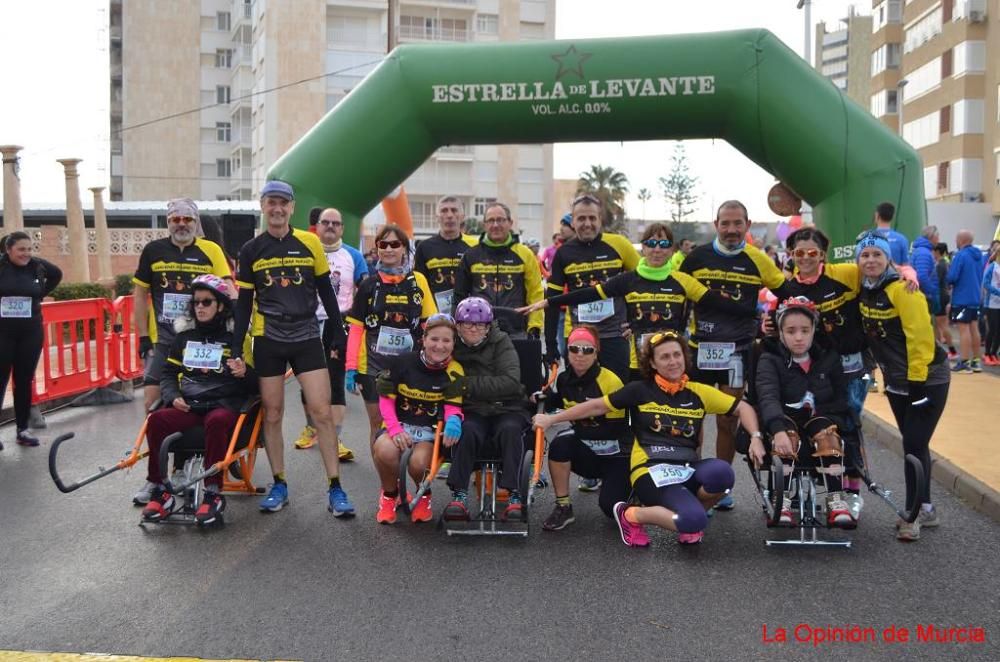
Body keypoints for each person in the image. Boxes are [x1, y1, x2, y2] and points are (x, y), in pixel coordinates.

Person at [534, 331, 763, 546]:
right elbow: (594, 406)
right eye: (664, 357)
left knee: (723, 474)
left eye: (677, 355)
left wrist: (755, 437)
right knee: (695, 521)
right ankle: (631, 515)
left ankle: (689, 515)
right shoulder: (640, 390)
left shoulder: (698, 391)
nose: (673, 361)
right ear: (652, 363)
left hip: (687, 466)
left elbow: (743, 408)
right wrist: (551, 420)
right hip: (651, 470)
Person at [230, 180, 354, 517]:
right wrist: (236, 346)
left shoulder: (310, 242)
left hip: (306, 335)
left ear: (292, 208)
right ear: (262, 205)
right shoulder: (251, 249)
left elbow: (326, 292)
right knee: (272, 413)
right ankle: (279, 483)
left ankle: (335, 487)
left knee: (322, 412)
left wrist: (339, 331)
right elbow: (243, 304)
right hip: (269, 337)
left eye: (283, 203)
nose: (277, 209)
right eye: (271, 202)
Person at [520, 223, 750, 381]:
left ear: (671, 249)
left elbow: (717, 303)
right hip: (636, 364)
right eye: (651, 243)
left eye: (663, 244)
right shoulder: (627, 280)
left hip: (672, 362)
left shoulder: (683, 281)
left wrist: (755, 314)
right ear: (643, 247)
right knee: (634, 422)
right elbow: (587, 293)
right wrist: (549, 302)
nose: (657, 250)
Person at [678, 200, 787, 510]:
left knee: (728, 420)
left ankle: (719, 485)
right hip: (699, 350)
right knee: (691, 418)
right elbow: (676, 292)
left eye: (737, 223)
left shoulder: (758, 260)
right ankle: (692, 480)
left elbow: (788, 292)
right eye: (725, 224)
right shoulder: (696, 257)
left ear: (747, 225)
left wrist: (772, 321)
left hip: (737, 353)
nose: (731, 230)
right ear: (716, 225)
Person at [856, 232, 950, 541]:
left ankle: (912, 516)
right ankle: (926, 509)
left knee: (912, 442)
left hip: (927, 378)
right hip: (896, 380)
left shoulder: (904, 291)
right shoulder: (864, 290)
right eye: (865, 255)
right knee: (915, 444)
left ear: (888, 260)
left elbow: (920, 340)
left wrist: (919, 384)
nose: (870, 260)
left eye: (877, 255)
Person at [139, 275, 249, 525]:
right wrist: (173, 396)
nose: (199, 307)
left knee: (217, 420)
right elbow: (167, 375)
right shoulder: (183, 339)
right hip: (190, 404)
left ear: (220, 305)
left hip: (222, 404)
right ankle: (160, 489)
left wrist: (244, 372)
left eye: (206, 302)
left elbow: (254, 385)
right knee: (155, 420)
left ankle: (213, 493)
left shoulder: (235, 340)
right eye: (196, 302)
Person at [754, 297, 856, 527]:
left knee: (828, 436)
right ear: (780, 332)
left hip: (821, 415)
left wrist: (830, 415)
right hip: (784, 417)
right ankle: (783, 500)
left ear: (813, 331)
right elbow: (768, 397)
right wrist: (776, 428)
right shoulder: (770, 358)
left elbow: (841, 397)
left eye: (804, 330)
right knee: (787, 439)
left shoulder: (828, 357)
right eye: (790, 331)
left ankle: (836, 499)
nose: (798, 337)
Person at [132, 198, 233, 414]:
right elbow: (139, 294)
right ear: (167, 222)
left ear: (196, 222)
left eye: (187, 218)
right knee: (152, 401)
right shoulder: (153, 250)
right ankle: (157, 446)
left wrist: (239, 326)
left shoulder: (211, 250)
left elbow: (228, 290)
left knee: (205, 399)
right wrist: (142, 336)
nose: (181, 223)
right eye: (175, 219)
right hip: (164, 339)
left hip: (202, 339)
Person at [532, 324, 630, 531]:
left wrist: (571, 423)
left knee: (610, 509)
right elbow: (560, 400)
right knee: (559, 445)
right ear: (567, 351)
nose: (580, 355)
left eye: (587, 350)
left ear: (596, 353)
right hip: (588, 452)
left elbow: (614, 429)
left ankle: (633, 489)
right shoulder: (565, 379)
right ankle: (563, 506)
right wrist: (542, 399)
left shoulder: (610, 381)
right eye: (574, 349)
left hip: (616, 454)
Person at [345, 224, 436, 444]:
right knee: (377, 424)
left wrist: (435, 360)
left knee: (410, 422)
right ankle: (387, 478)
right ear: (377, 248)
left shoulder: (418, 281)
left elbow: (430, 324)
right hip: (373, 365)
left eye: (395, 244)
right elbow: (357, 328)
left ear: (404, 248)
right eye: (383, 244)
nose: (388, 249)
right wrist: (350, 367)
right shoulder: (368, 285)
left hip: (410, 365)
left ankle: (407, 470)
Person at [442, 297, 529, 522]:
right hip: (474, 410)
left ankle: (513, 495)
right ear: (458, 325)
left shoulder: (502, 342)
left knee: (510, 430)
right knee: (467, 430)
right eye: (468, 324)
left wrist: (466, 385)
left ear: (488, 326)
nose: (474, 328)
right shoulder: (452, 344)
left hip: (507, 407)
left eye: (480, 324)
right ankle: (459, 495)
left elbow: (510, 381)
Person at [372, 313, 464, 524]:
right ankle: (389, 495)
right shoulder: (403, 362)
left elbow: (452, 406)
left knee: (418, 462)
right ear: (423, 339)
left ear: (453, 343)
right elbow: (386, 401)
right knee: (385, 451)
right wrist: (395, 430)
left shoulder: (455, 370)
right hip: (399, 425)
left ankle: (423, 495)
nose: (439, 346)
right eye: (434, 339)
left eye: (446, 340)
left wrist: (454, 420)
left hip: (429, 432)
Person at [292, 207, 366, 462]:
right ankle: (312, 426)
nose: (331, 227)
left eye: (336, 223)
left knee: (335, 381)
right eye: (326, 223)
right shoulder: (304, 252)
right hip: (307, 323)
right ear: (318, 226)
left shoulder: (353, 256)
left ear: (342, 228)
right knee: (306, 380)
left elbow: (365, 290)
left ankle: (335, 438)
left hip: (339, 323)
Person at [544, 194, 640, 377]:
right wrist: (550, 345)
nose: (587, 223)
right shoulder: (563, 253)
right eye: (581, 218)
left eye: (592, 218)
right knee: (579, 397)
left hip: (614, 337)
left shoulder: (619, 244)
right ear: (572, 221)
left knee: (617, 397)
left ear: (600, 219)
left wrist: (636, 322)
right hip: (579, 337)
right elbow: (552, 302)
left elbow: (644, 283)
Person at [0, 231, 62, 449]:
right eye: (21, 249)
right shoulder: (1, 266)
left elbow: (57, 274)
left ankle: (22, 430)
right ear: (8, 250)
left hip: (30, 331)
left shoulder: (37, 266)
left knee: (24, 380)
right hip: (3, 332)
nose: (26, 253)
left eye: (29, 249)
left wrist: (40, 292)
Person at [453, 201, 544, 338]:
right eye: (491, 220)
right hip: (479, 329)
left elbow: (535, 293)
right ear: (484, 225)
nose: (495, 225)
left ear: (510, 223)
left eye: (500, 220)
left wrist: (535, 326)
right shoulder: (471, 255)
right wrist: (458, 326)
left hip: (516, 330)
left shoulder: (525, 254)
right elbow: (459, 296)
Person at [412, 195, 478, 315]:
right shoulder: (424, 247)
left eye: (454, 210)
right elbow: (419, 285)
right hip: (435, 313)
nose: (449, 215)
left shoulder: (474, 246)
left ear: (462, 216)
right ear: (437, 217)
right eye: (444, 211)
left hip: (469, 313)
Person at [947, 230, 985, 373]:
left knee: (963, 330)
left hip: (962, 297)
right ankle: (976, 361)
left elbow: (952, 277)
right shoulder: (979, 256)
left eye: (957, 239)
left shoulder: (961, 255)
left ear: (961, 240)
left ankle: (964, 362)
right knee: (974, 328)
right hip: (975, 297)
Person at [932, 242, 957, 357]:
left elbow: (936, 280)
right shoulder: (944, 263)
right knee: (938, 323)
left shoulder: (941, 265)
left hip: (940, 296)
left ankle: (952, 351)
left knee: (942, 324)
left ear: (937, 252)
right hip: (943, 295)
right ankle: (939, 349)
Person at [911, 226, 940, 317]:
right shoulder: (924, 253)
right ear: (932, 236)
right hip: (924, 296)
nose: (938, 240)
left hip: (921, 295)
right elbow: (922, 276)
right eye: (938, 236)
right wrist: (932, 291)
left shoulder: (921, 251)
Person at [873, 201, 910, 266]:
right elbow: (905, 265)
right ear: (893, 216)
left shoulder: (867, 238)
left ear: (877, 215)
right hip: (895, 275)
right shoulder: (901, 239)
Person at [981, 247, 1000, 365]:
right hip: (991, 304)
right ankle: (987, 353)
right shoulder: (992, 267)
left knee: (999, 331)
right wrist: (998, 292)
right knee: (992, 330)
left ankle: (994, 353)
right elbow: (986, 284)